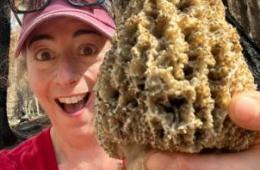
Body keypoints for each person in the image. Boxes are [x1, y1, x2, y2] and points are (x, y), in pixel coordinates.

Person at [0, 0, 260, 169]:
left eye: (87, 49)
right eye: (44, 54)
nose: (66, 76)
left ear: (122, 58)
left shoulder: (206, 155)